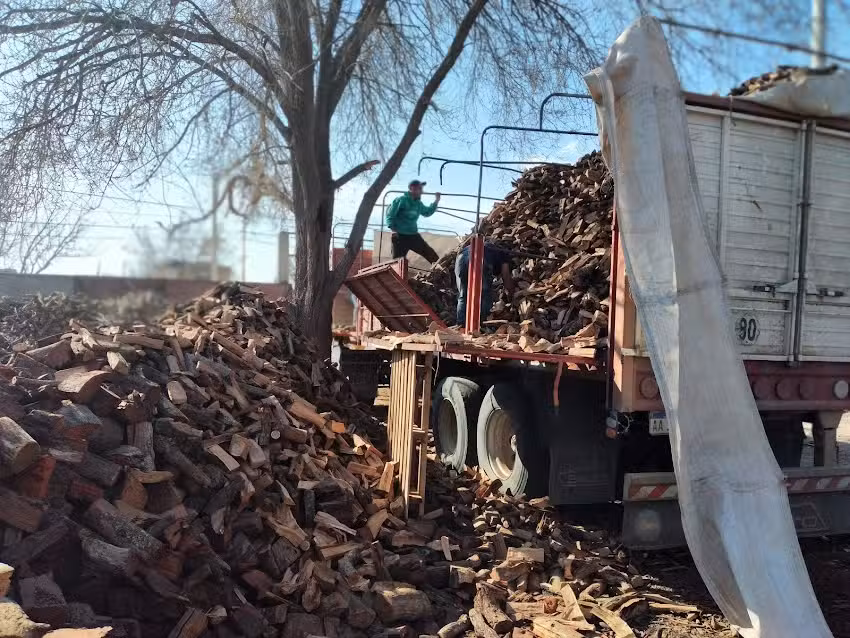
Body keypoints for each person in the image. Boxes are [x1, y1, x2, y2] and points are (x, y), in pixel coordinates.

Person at [455, 240, 515, 328]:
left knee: (463, 295)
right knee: (484, 294)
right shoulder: (504, 255)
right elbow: (505, 275)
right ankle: (484, 325)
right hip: (479, 257)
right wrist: (511, 294)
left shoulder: (491, 249)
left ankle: (461, 325)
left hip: (461, 258)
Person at [386, 180, 441, 263]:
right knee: (398, 263)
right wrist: (393, 230)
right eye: (420, 189)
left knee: (432, 256)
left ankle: (443, 273)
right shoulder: (401, 200)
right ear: (412, 188)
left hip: (413, 236)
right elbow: (390, 215)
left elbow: (427, 212)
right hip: (399, 236)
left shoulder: (418, 204)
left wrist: (436, 201)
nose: (422, 192)